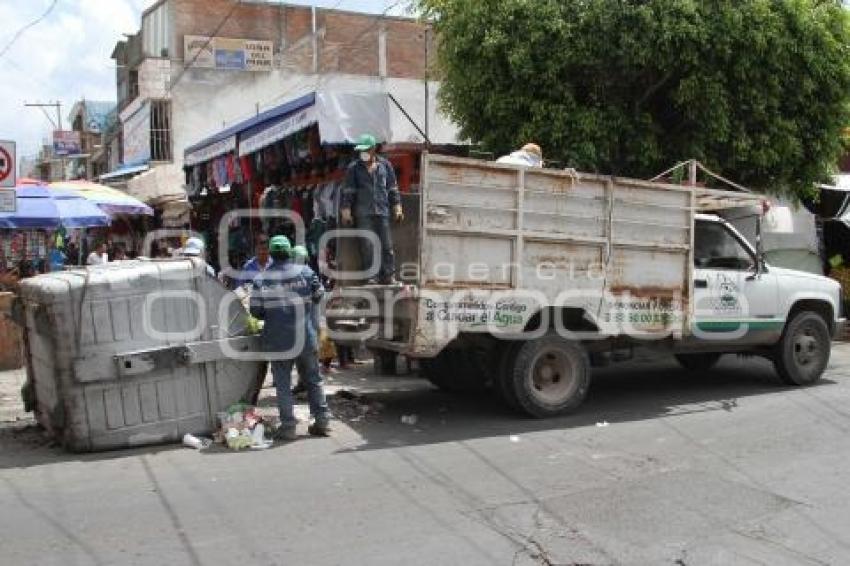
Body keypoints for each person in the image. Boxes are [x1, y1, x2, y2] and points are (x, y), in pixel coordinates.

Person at [250, 235, 330, 440]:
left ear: (271, 253)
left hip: (278, 341)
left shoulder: (261, 279)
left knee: (283, 383)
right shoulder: (305, 272)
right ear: (289, 252)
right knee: (313, 379)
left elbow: (256, 311)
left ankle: (288, 427)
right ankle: (322, 421)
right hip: (306, 337)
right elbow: (319, 294)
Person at [340, 133, 403, 285]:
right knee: (367, 245)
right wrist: (346, 212)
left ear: (373, 149)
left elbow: (392, 189)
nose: (363, 153)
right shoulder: (353, 168)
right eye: (361, 150)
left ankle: (388, 275)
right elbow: (348, 191)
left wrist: (397, 208)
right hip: (363, 213)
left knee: (386, 245)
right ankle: (371, 276)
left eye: (366, 150)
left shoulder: (385, 166)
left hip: (382, 211)